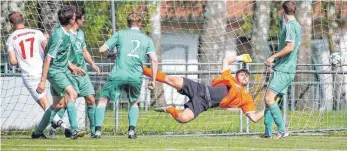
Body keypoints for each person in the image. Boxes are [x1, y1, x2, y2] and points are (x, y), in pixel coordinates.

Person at [143, 54, 265, 124]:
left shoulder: (247, 98)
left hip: (204, 103)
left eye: (247, 75)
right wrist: (240, 57)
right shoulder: (229, 78)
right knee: (171, 80)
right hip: (199, 89)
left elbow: (254, 118)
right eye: (242, 74)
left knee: (183, 118)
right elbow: (225, 61)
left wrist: (270, 107)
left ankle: (169, 109)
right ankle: (141, 68)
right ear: (236, 75)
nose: (245, 76)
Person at [5, 11, 71, 138]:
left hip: (30, 75)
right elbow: (48, 49)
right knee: (59, 102)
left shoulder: (11, 38)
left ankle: (64, 127)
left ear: (11, 24)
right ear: (23, 21)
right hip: (45, 72)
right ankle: (44, 131)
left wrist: (22, 59)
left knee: (46, 105)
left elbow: (13, 61)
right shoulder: (37, 33)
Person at [95, 13, 158, 139]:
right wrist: (154, 80)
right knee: (134, 102)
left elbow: (102, 49)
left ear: (128, 23)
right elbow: (154, 60)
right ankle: (131, 132)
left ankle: (97, 132)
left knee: (103, 100)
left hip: (119, 73)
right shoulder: (147, 39)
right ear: (140, 24)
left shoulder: (120, 34)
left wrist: (113, 54)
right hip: (135, 76)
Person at [34, 5, 86, 139]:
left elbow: (61, 55)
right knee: (72, 94)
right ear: (71, 19)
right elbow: (48, 58)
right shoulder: (59, 35)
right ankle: (74, 130)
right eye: (75, 16)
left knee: (59, 104)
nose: (76, 17)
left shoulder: (65, 32)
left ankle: (38, 132)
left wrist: (72, 67)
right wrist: (42, 82)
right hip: (55, 72)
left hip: (60, 71)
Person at [263, 1, 301, 139]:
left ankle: (282, 130)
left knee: (269, 98)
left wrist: (273, 56)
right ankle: (267, 133)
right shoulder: (297, 25)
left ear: (283, 12)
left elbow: (290, 47)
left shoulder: (290, 26)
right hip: (284, 68)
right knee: (268, 99)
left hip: (284, 69)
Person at [69, 8, 100, 137]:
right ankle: (71, 129)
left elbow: (84, 50)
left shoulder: (81, 33)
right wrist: (72, 67)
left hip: (83, 72)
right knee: (66, 101)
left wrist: (92, 63)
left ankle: (94, 132)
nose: (84, 20)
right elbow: (61, 56)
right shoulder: (65, 34)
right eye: (82, 18)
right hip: (69, 72)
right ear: (76, 19)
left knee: (91, 99)